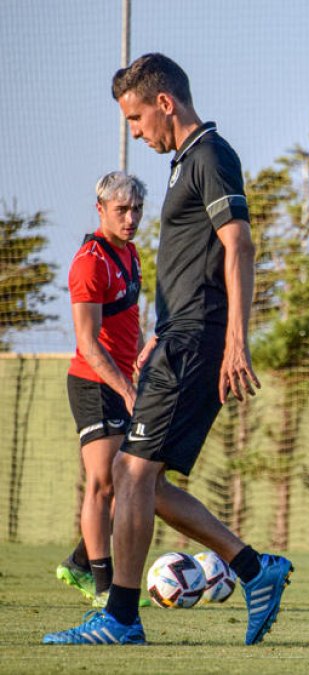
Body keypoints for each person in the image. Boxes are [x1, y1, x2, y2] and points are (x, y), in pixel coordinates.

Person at [44, 53, 292, 646]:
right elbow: (197, 259)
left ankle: (122, 619)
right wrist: (162, 326)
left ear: (164, 104)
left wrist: (235, 341)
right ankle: (257, 570)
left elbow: (240, 247)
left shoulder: (210, 155)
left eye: (134, 118)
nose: (134, 132)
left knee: (130, 475)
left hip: (196, 343)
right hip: (177, 338)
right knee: (144, 482)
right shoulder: (186, 163)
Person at [56, 172, 147, 608]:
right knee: (103, 484)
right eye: (121, 211)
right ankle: (105, 588)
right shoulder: (89, 261)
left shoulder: (131, 255)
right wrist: (126, 388)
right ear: (101, 209)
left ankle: (79, 560)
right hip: (94, 384)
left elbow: (130, 322)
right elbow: (89, 343)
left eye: (137, 211)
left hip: (123, 382)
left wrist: (145, 353)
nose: (131, 219)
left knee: (130, 480)